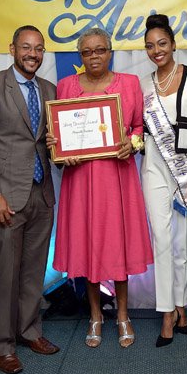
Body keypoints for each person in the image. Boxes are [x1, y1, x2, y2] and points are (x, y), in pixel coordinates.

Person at [50, 28, 153, 348]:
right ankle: (95, 315)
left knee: (117, 245)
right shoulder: (65, 86)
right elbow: (58, 131)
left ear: (110, 52)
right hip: (80, 181)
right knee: (88, 246)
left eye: (100, 50)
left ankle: (123, 315)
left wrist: (133, 143)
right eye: (87, 52)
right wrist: (56, 146)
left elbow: (139, 129)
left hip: (116, 179)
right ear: (80, 56)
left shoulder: (130, 84)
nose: (94, 57)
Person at [0, 25, 59, 374]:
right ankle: (4, 345)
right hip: (6, 196)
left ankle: (29, 331)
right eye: (26, 47)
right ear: (12, 49)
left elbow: (53, 141)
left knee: (34, 271)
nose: (33, 54)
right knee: (5, 273)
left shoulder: (49, 89)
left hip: (42, 192)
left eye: (38, 49)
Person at [140, 14, 187, 347]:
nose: (157, 51)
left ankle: (182, 306)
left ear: (173, 44)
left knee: (184, 243)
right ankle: (166, 312)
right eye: (150, 46)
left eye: (162, 44)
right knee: (162, 241)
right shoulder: (143, 84)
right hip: (154, 164)